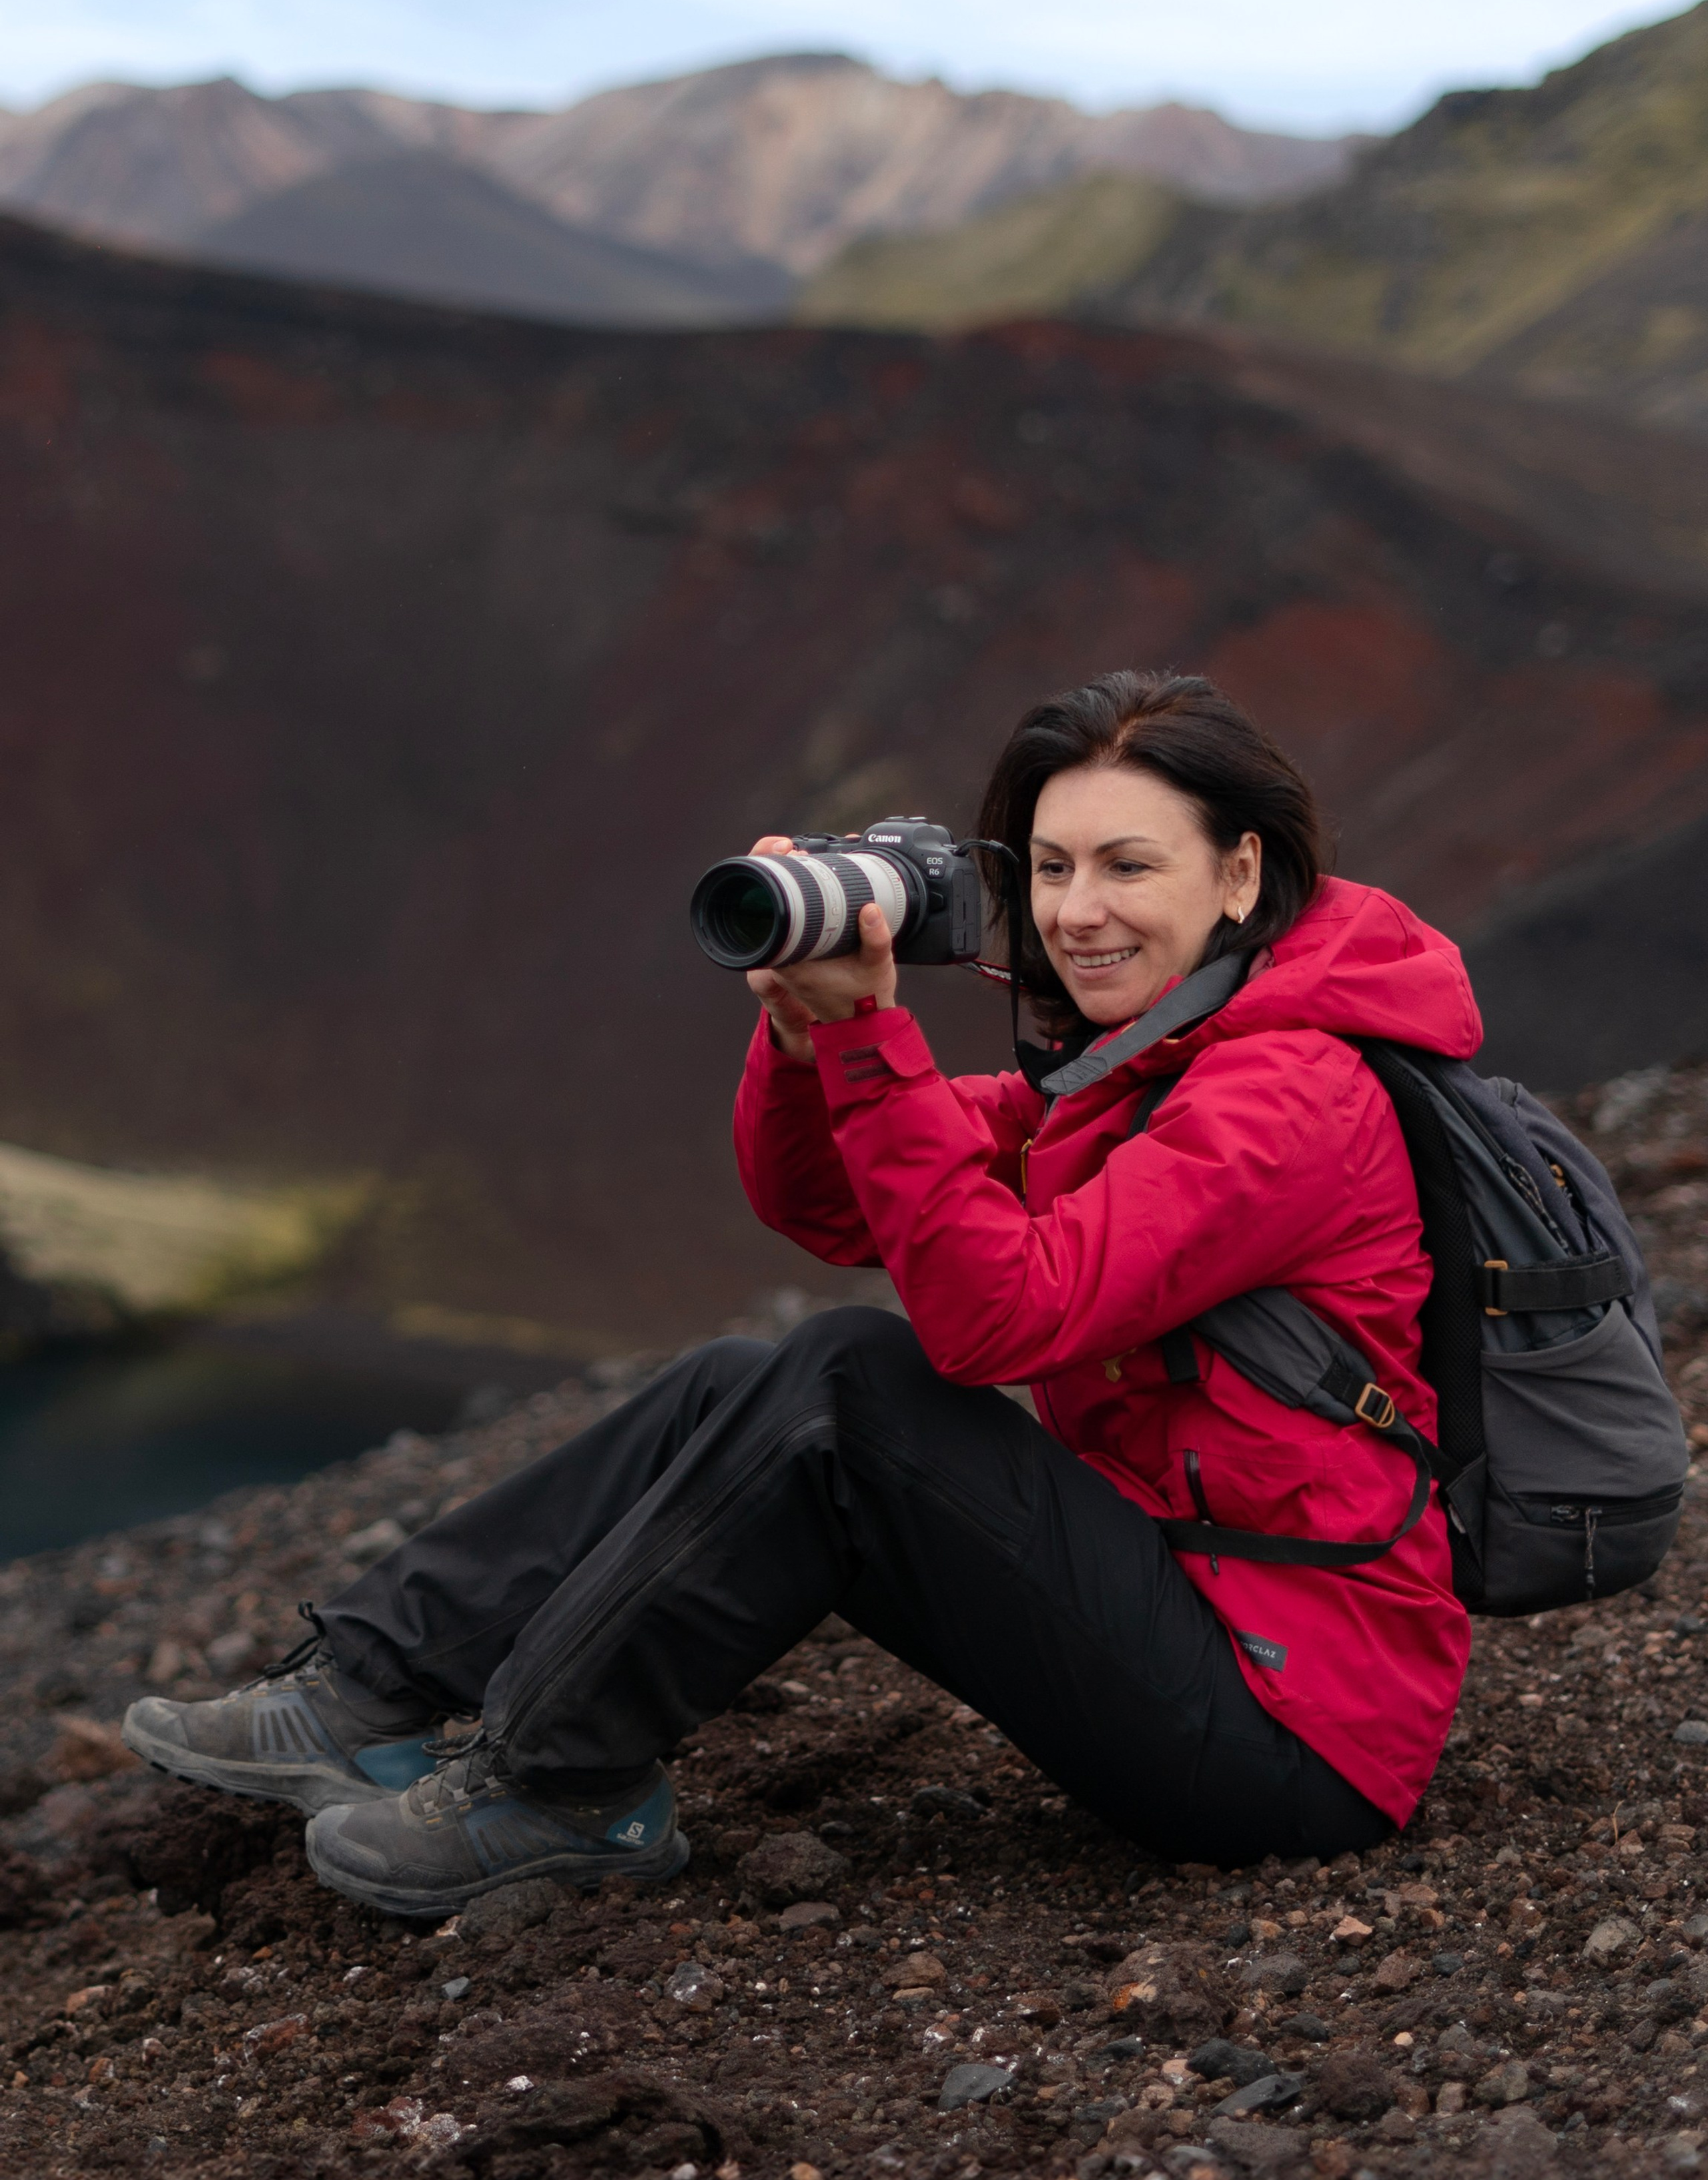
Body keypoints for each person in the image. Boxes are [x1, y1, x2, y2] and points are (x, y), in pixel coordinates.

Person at [122, 671, 1472, 1917]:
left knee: (845, 1386)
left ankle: (562, 1786)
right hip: (1188, 1624)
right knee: (739, 1383)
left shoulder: (1287, 1092)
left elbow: (1002, 1318)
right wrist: (799, 1035)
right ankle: (368, 1687)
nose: (1076, 911)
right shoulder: (1147, 1068)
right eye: (1053, 868)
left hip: (1290, 1743)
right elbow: (830, 1203)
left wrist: (866, 1035)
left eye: (1129, 865)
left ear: (1239, 871)